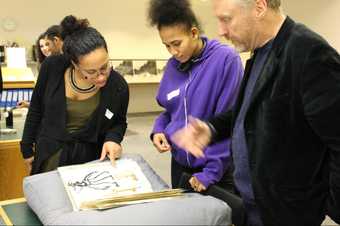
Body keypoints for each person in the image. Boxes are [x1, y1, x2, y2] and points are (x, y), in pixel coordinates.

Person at [172, 0, 340, 225]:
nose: (220, 31)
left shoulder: (308, 53)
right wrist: (212, 128)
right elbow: (253, 108)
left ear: (259, 7)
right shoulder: (260, 51)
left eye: (226, 19)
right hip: (253, 205)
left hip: (287, 213)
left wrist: (327, 205)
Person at [147, 0, 243, 193]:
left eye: (176, 43)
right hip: (180, 164)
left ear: (193, 33)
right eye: (166, 46)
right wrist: (159, 130)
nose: (173, 52)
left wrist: (211, 173)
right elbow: (171, 111)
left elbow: (229, 122)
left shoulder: (225, 60)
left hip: (216, 170)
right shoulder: (173, 65)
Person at [20, 15, 129, 175]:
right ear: (74, 64)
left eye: (105, 66)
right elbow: (36, 109)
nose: (101, 77)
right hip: (50, 154)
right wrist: (27, 148)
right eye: (91, 71)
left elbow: (119, 122)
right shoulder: (52, 68)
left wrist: (113, 139)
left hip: (91, 159)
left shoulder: (117, 86)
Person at [18, 25, 64, 108]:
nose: (45, 48)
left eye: (47, 44)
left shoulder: (61, 64)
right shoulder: (42, 65)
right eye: (41, 46)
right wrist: (29, 104)